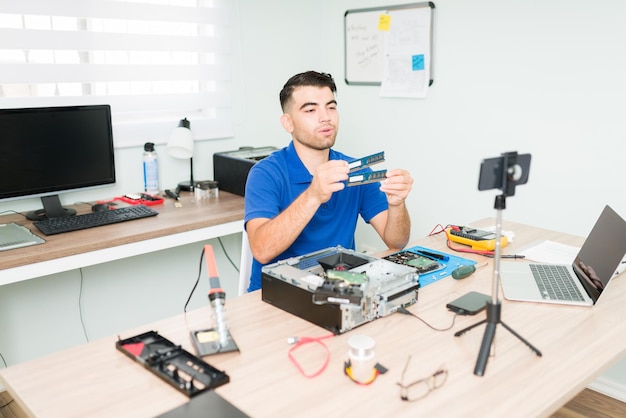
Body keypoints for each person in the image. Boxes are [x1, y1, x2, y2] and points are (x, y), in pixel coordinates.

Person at [243, 71, 413, 291]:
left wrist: (397, 204)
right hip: (275, 296)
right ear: (288, 122)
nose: (326, 117)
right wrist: (313, 196)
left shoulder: (356, 170)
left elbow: (396, 242)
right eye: (311, 109)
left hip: (337, 290)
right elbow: (262, 250)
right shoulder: (265, 174)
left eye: (331, 107)